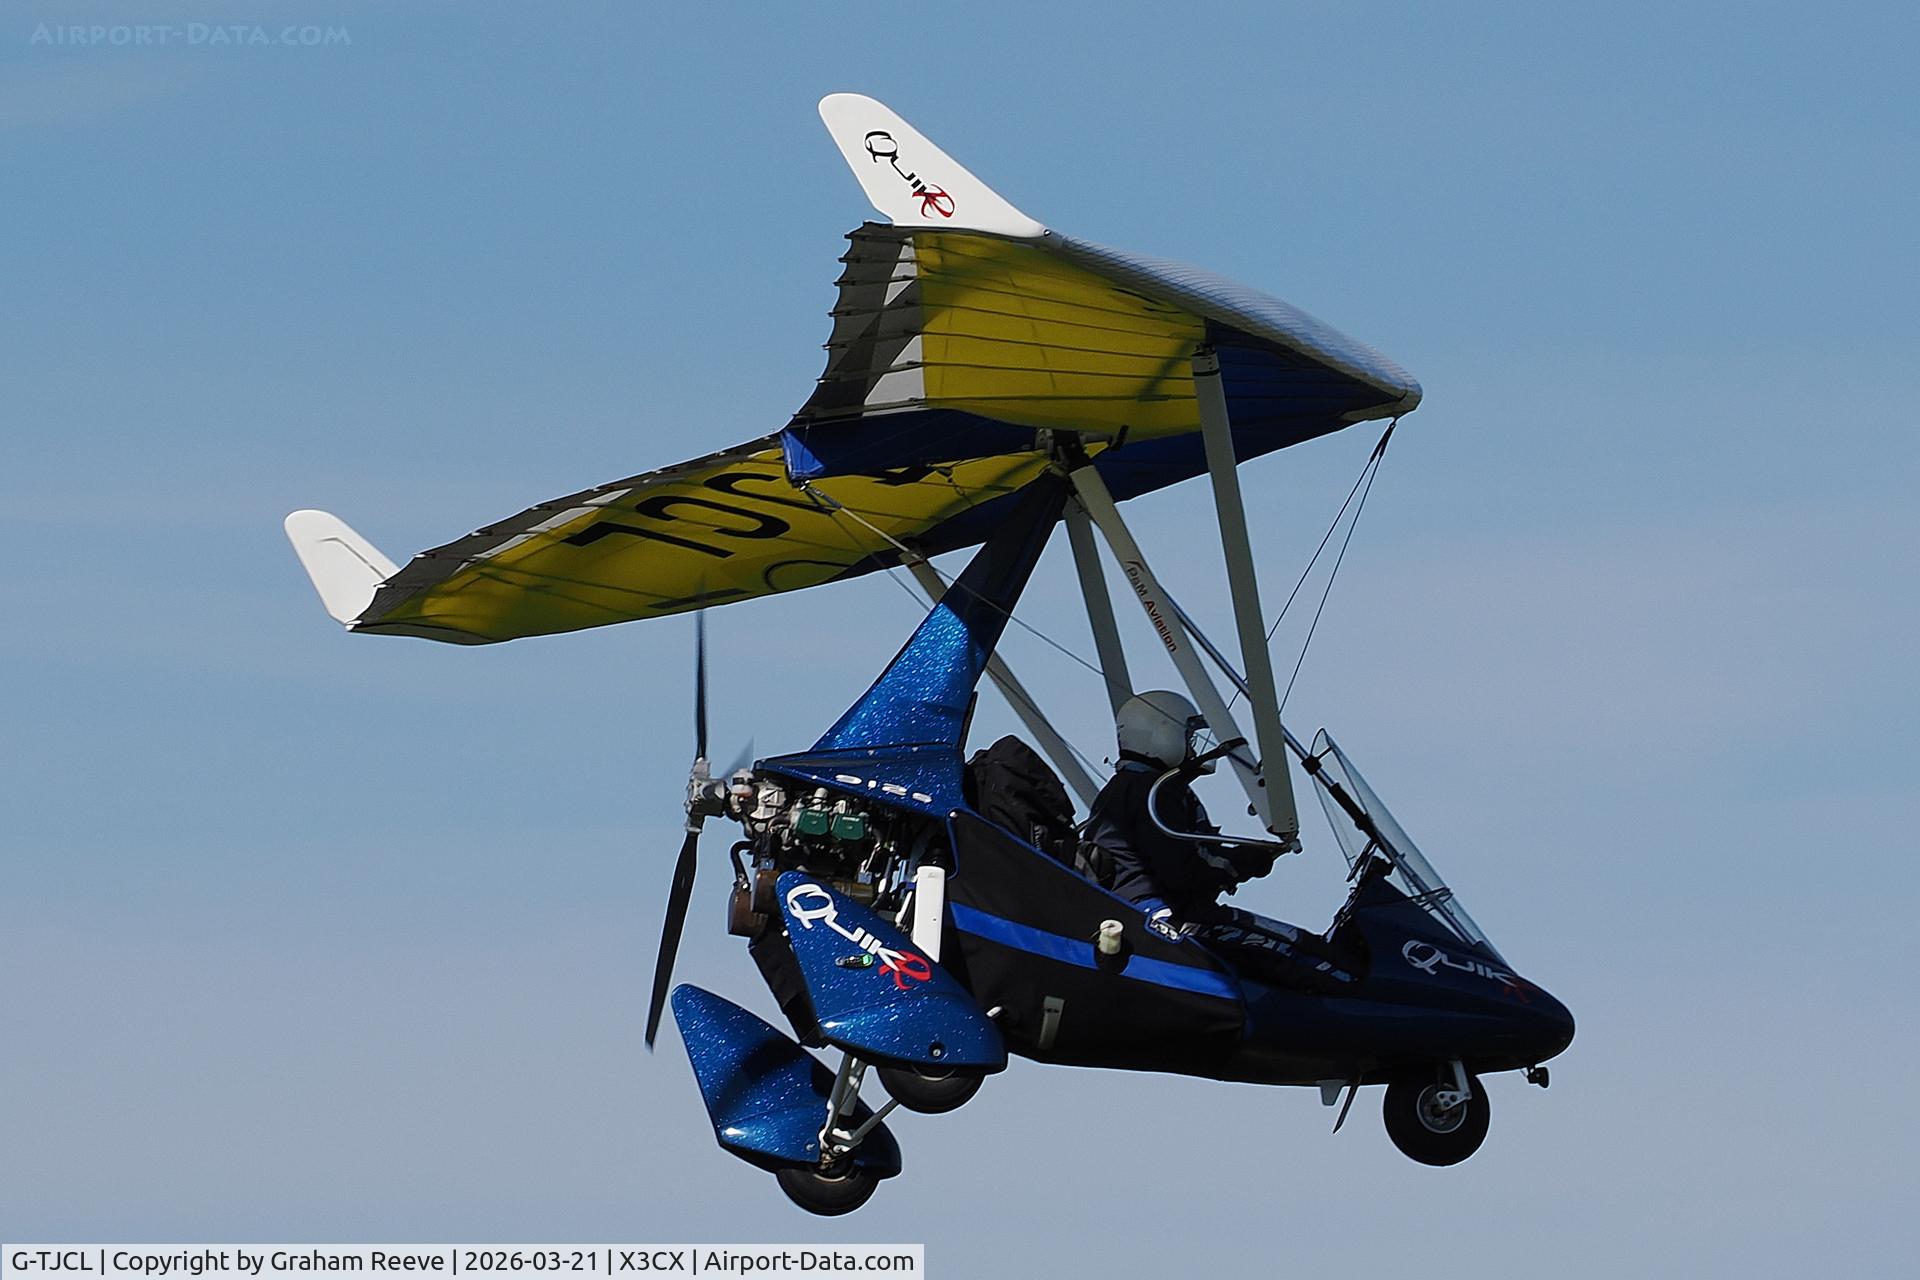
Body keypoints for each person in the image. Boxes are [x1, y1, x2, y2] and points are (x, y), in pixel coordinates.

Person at [1083, 690, 1352, 990]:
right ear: (1162, 733)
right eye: (1188, 735)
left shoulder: (1128, 789)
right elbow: (1182, 868)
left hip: (1145, 917)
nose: (1193, 747)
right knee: (1307, 955)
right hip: (1164, 920)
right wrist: (1241, 861)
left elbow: (1184, 858)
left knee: (1294, 946)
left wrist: (1234, 863)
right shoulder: (1153, 792)